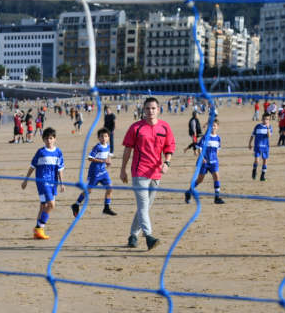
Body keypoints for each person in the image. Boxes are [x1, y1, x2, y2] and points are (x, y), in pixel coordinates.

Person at [120, 97, 174, 251]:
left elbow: (169, 148)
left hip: (156, 173)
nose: (150, 111)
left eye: (153, 108)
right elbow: (127, 149)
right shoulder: (136, 128)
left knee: (145, 206)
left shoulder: (165, 127)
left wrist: (167, 163)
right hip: (139, 172)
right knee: (143, 205)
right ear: (143, 110)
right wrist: (123, 169)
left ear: (158, 109)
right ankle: (149, 237)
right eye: (147, 108)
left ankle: (133, 235)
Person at [22, 127, 64, 240]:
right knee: (51, 205)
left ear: (55, 139)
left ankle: (38, 232)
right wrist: (26, 180)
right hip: (42, 182)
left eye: (51, 138)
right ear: (43, 140)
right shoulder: (41, 152)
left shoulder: (58, 152)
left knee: (43, 206)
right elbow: (32, 166)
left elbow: (60, 168)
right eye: (46, 139)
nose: (49, 141)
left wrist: (62, 183)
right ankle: (39, 227)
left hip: (53, 182)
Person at [70, 127, 116, 217]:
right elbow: (90, 158)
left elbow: (107, 156)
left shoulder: (108, 146)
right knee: (88, 191)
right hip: (94, 173)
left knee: (110, 188)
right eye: (101, 136)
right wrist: (103, 161)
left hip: (103, 172)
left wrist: (108, 161)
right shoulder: (97, 147)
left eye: (106, 136)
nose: (104, 138)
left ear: (108, 137)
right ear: (98, 138)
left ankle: (106, 207)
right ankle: (76, 204)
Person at [186, 118, 224, 205]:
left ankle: (217, 197)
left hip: (214, 162)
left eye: (214, 126)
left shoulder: (218, 138)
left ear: (217, 127)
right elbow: (199, 148)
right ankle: (189, 192)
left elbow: (217, 149)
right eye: (211, 126)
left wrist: (216, 158)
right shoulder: (206, 137)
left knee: (217, 177)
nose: (213, 128)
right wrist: (202, 158)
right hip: (204, 162)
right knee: (200, 180)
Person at [250, 114, 272, 181]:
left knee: (265, 160)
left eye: (267, 119)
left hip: (265, 146)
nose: (266, 121)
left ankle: (262, 176)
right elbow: (252, 135)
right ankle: (254, 170)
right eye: (265, 119)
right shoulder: (257, 126)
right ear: (262, 119)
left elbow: (269, 136)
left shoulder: (269, 127)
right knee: (257, 160)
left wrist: (267, 128)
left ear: (269, 120)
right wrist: (249, 143)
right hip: (257, 146)